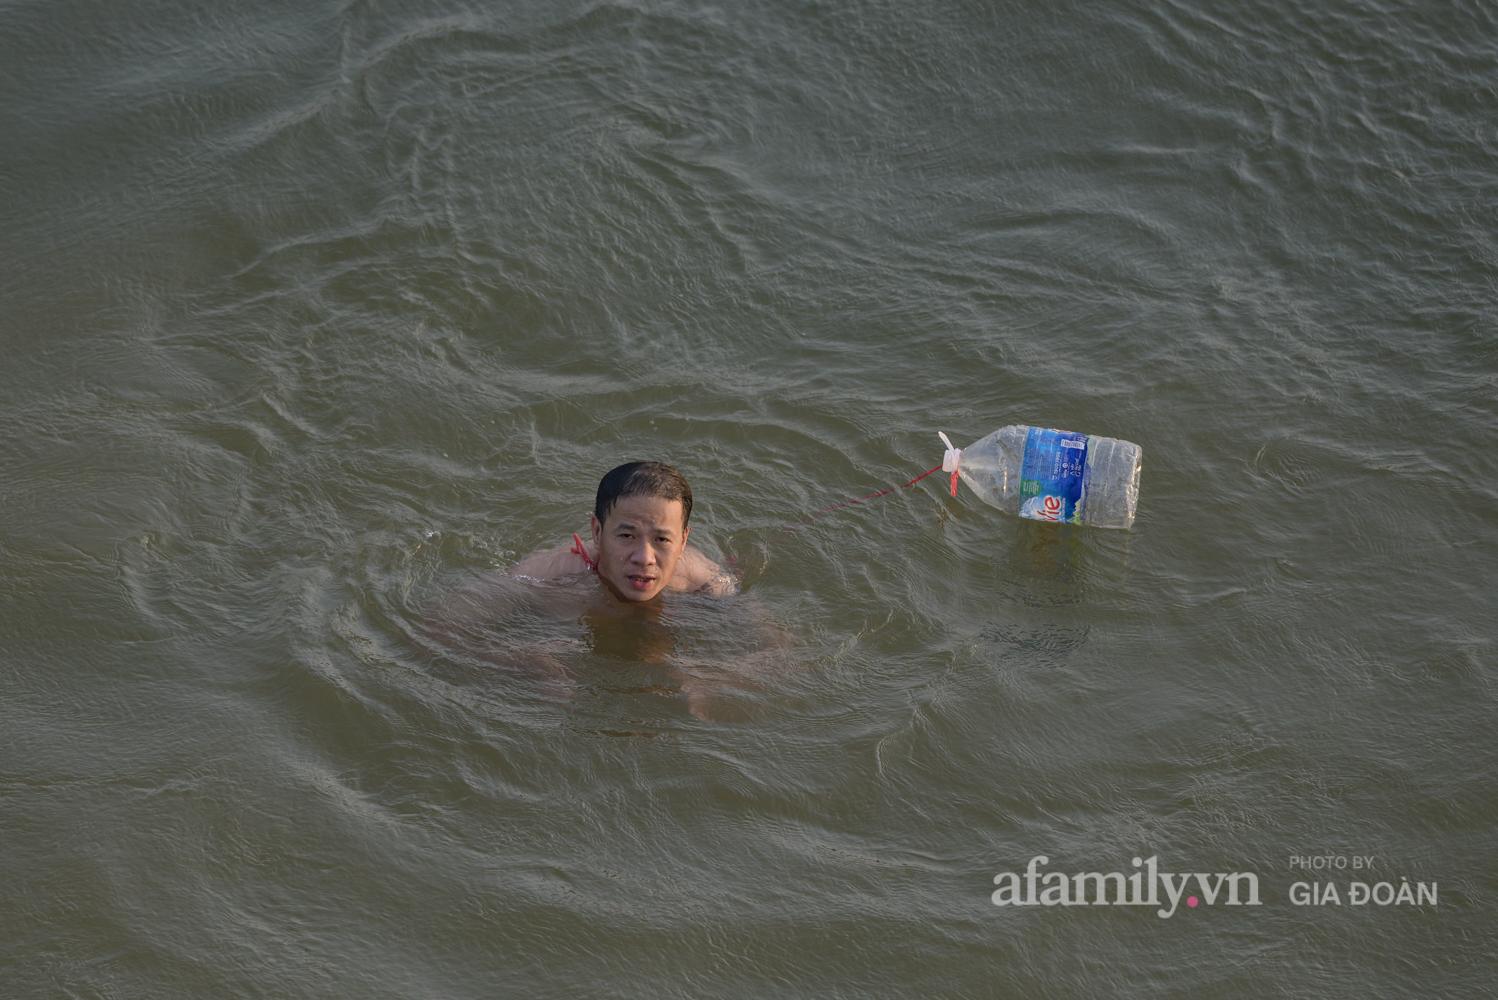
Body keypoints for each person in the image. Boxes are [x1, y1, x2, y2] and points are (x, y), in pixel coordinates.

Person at [507, 461, 734, 600]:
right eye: (627, 536)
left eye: (662, 539)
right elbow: (471, 631)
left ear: (683, 542)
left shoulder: (705, 585)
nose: (644, 558)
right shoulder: (545, 575)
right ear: (597, 533)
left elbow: (765, 652)